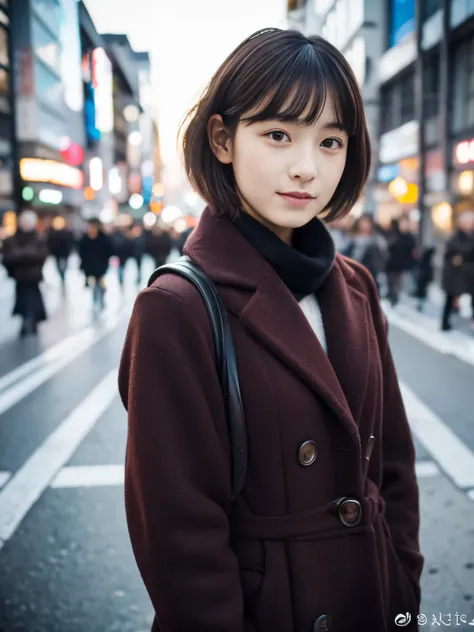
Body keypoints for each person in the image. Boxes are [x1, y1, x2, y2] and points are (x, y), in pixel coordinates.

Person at [118, 29, 423, 632]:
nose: (306, 168)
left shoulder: (355, 284)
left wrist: (403, 581)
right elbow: (180, 537)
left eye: (330, 141)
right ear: (224, 139)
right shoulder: (176, 307)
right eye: (278, 135)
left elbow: (392, 467)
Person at [2, 210, 48, 337]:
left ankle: (32, 320)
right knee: (22, 299)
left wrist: (21, 256)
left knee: (33, 298)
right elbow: (8, 258)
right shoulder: (12, 239)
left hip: (33, 276)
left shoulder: (38, 237)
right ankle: (25, 320)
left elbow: (41, 256)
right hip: (20, 276)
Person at [440, 210, 474, 331]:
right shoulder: (455, 237)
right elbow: (451, 252)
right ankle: (445, 323)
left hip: (469, 273)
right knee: (450, 298)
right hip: (456, 275)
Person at [342, 213, 387, 290]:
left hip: (372, 275)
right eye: (362, 222)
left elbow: (383, 257)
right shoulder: (352, 238)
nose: (364, 225)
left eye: (366, 223)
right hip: (355, 273)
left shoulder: (377, 239)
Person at [78, 218, 113, 311]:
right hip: (89, 266)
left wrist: (105, 261)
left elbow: (109, 250)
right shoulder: (85, 238)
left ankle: (101, 298)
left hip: (101, 266)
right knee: (93, 284)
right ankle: (94, 300)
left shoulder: (103, 238)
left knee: (100, 283)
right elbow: (81, 252)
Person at [385, 216, 418, 306]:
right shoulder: (393, 235)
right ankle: (392, 299)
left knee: (400, 285)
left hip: (403, 267)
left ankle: (397, 301)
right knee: (391, 284)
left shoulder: (410, 238)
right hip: (392, 264)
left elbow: (412, 253)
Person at [47, 216, 74, 285]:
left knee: (63, 267)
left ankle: (63, 277)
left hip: (64, 253)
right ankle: (62, 277)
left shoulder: (67, 232)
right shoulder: (53, 233)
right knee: (59, 267)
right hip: (58, 253)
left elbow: (70, 242)